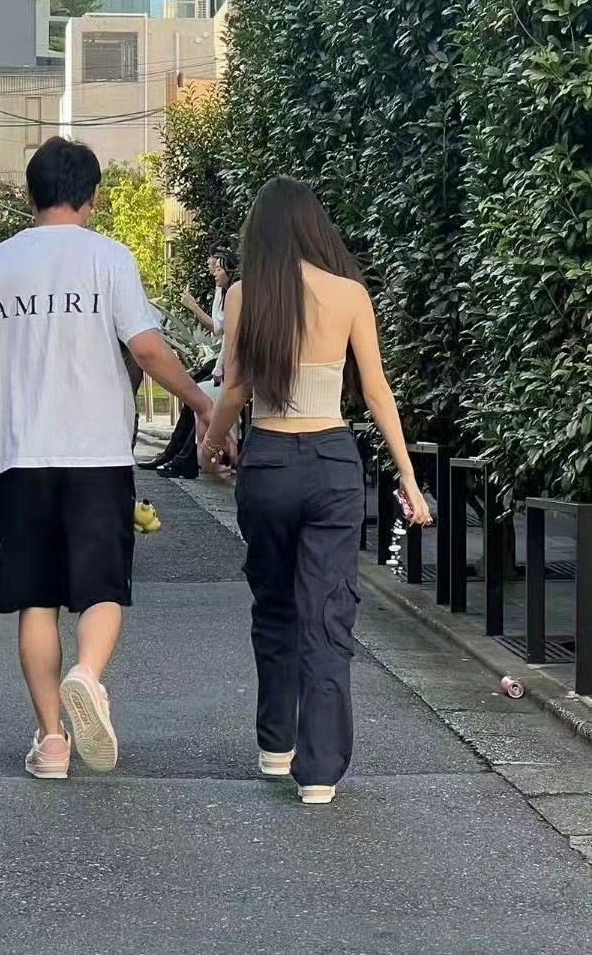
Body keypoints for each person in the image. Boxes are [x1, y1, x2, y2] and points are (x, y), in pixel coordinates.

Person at [0, 137, 214, 781]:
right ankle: (87, 675)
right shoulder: (109, 258)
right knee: (102, 587)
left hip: (18, 457)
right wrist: (204, 405)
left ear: (30, 194)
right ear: (91, 197)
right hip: (97, 454)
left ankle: (52, 743)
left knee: (35, 600)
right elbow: (147, 350)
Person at [199, 177, 431, 805]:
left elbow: (235, 390)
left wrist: (211, 445)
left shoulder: (245, 295)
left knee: (274, 602)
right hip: (332, 461)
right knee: (327, 611)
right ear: (313, 226)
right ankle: (320, 770)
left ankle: (276, 745)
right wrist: (409, 478)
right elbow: (377, 392)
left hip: (269, 461)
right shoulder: (350, 294)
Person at [139, 248, 236, 479]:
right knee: (194, 389)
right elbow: (220, 330)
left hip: (231, 364)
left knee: (201, 394)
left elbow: (223, 332)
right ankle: (174, 454)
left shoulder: (236, 294)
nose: (213, 273)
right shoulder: (223, 293)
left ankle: (185, 458)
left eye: (217, 268)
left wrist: (193, 306)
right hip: (223, 360)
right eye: (212, 267)